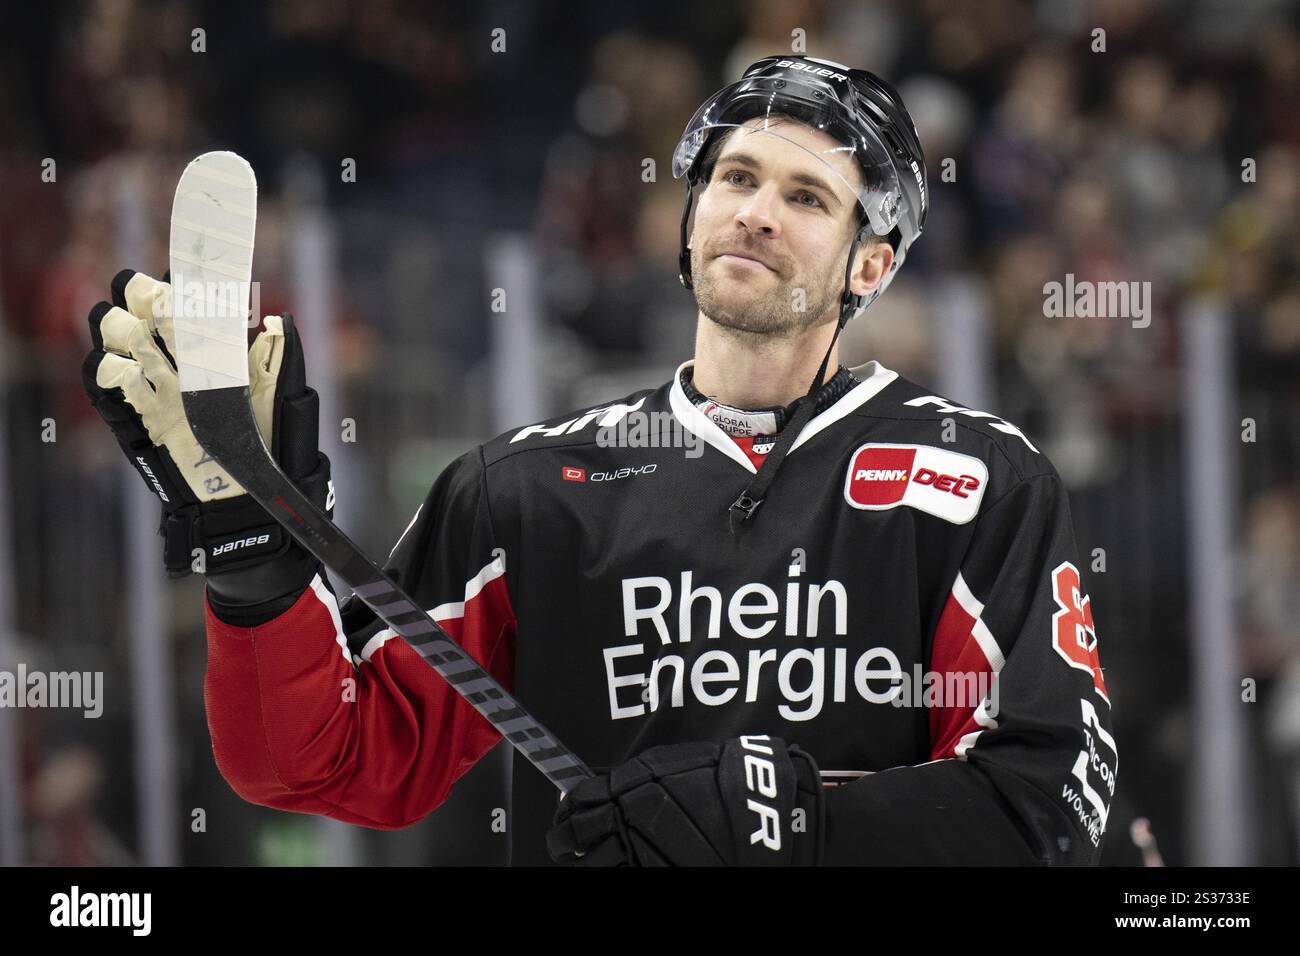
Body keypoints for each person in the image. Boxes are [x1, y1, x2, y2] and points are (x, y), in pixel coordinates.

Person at [81, 55, 1115, 866]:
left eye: (807, 198)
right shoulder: (525, 493)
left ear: (871, 263)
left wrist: (790, 824)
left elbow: (1049, 797)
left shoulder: (976, 481)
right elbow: (320, 761)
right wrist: (257, 567)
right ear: (687, 217)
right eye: (735, 177)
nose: (754, 208)